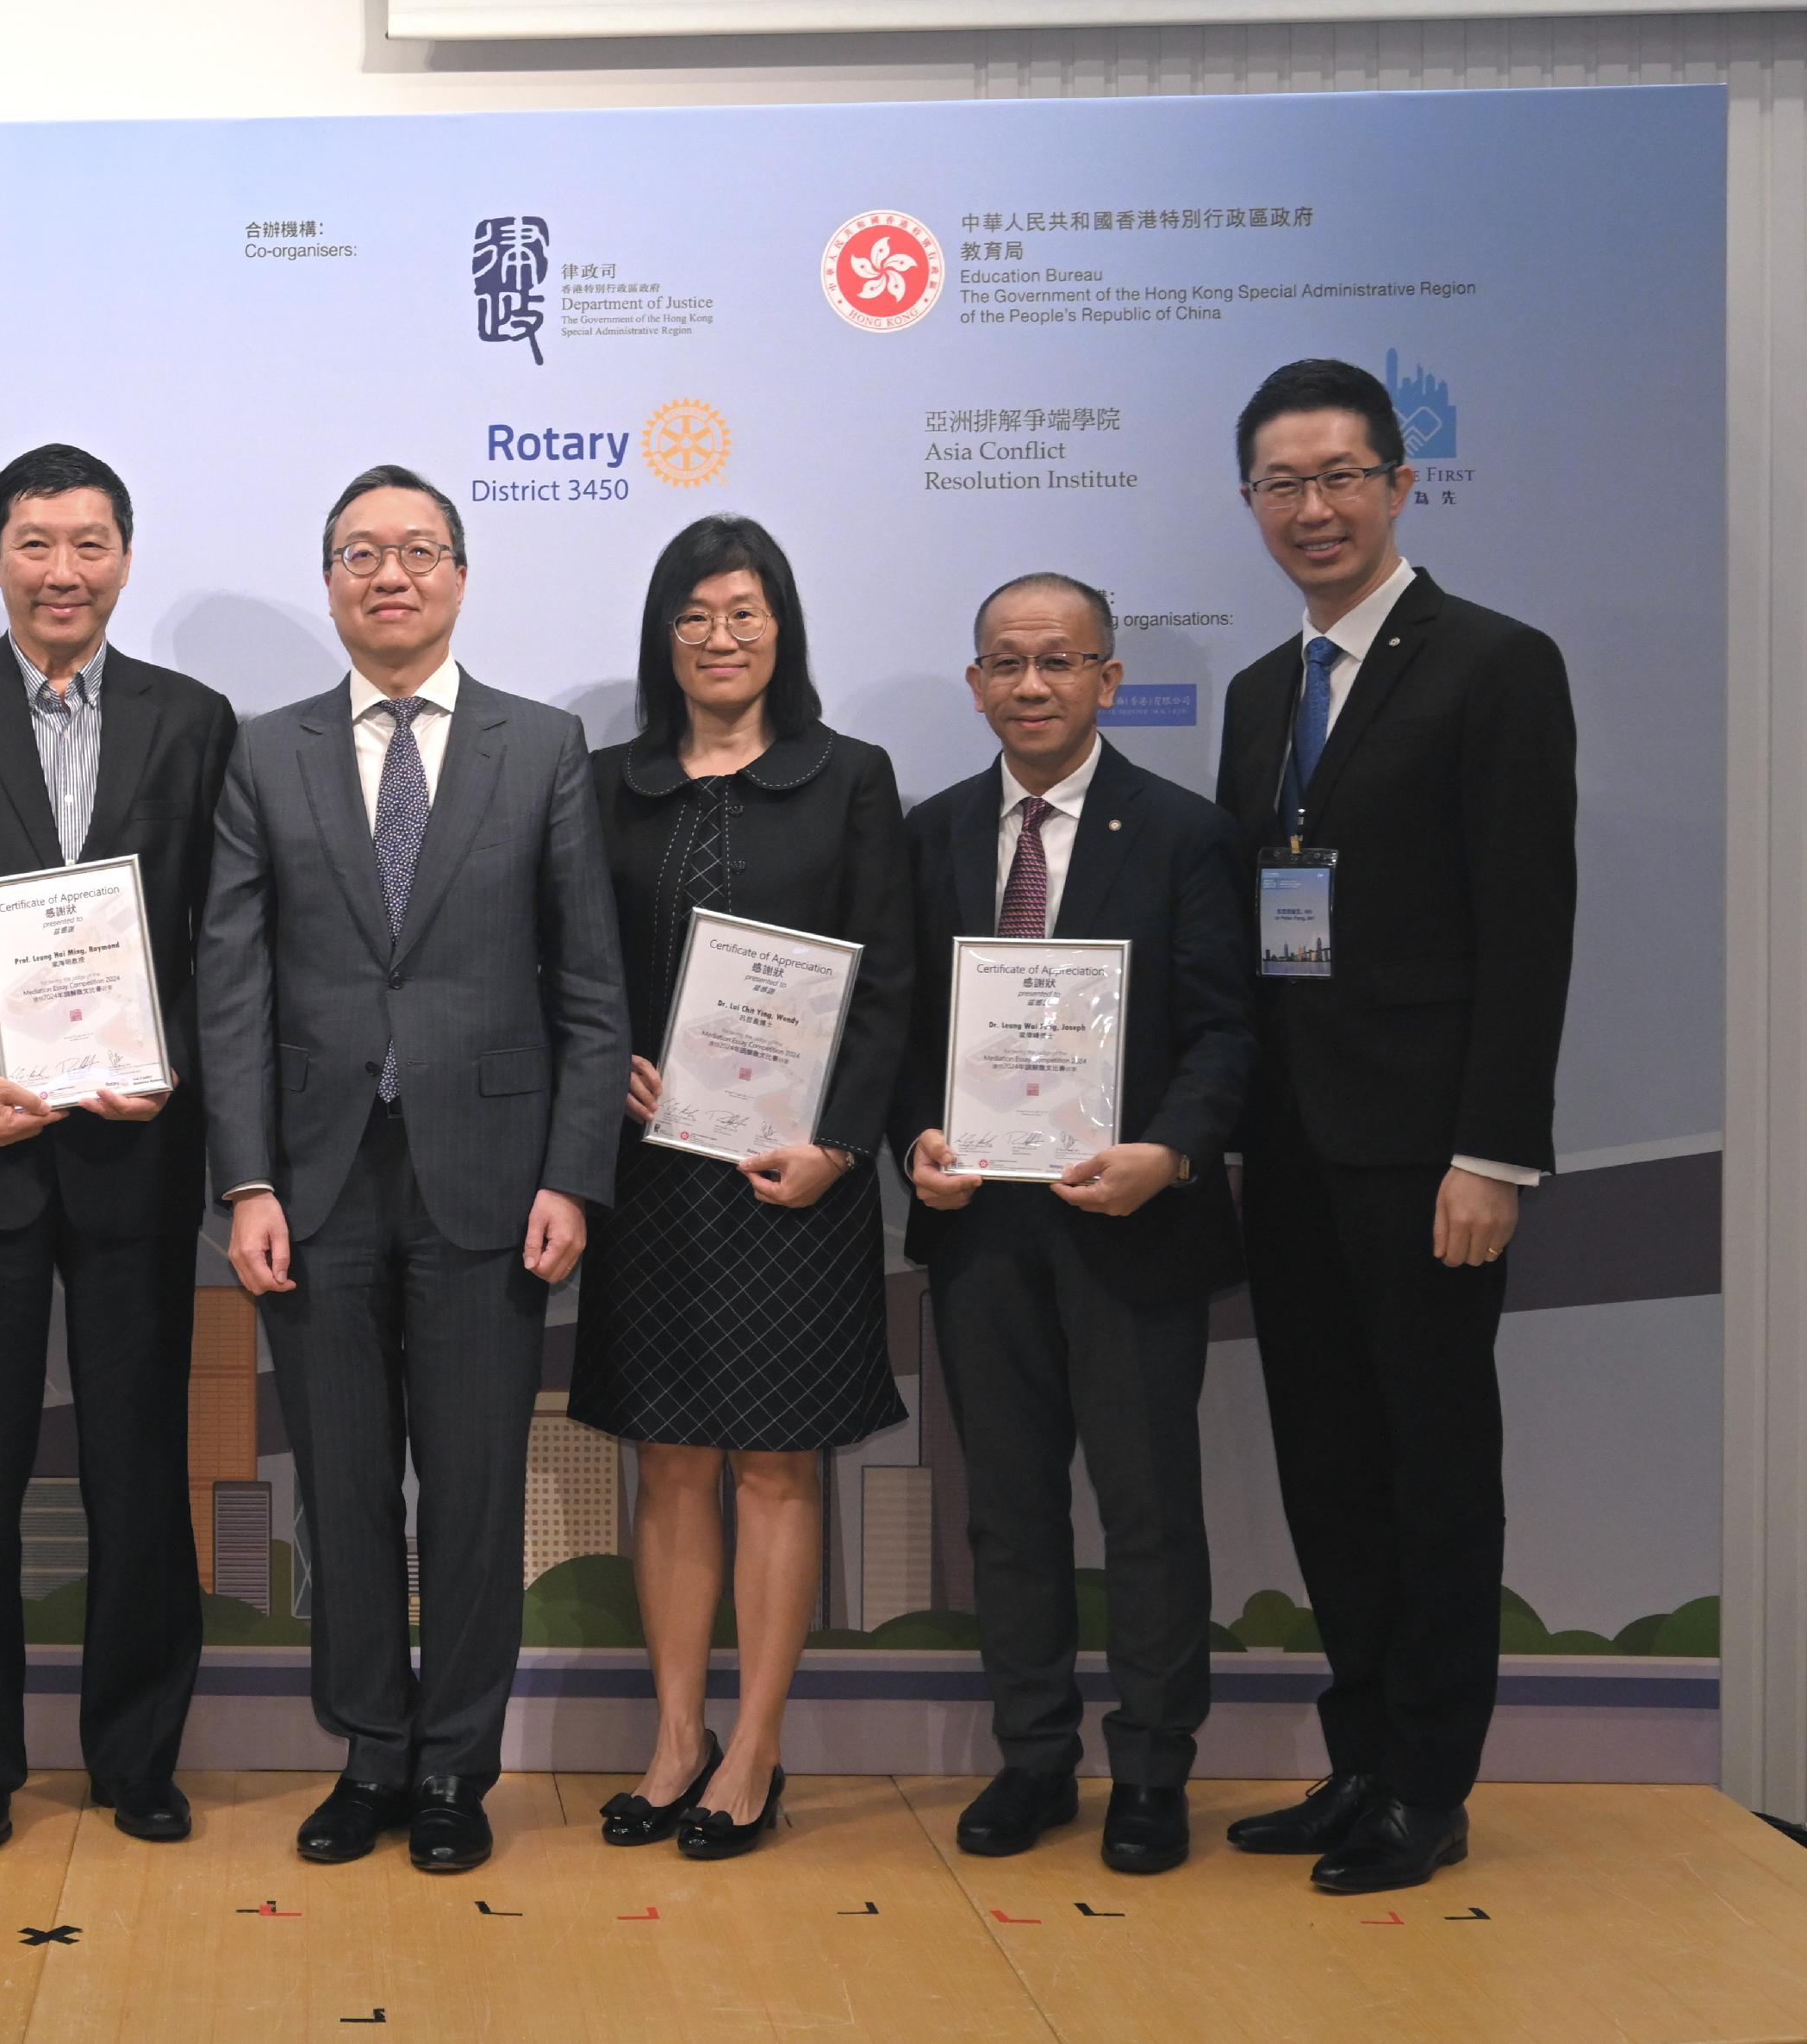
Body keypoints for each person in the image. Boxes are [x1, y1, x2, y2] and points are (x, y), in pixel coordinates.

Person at [202, 465, 625, 1876]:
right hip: (314, 1185)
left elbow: (589, 987)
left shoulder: (541, 744)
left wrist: (575, 1171)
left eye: (419, 551)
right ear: (329, 581)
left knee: (473, 1485)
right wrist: (247, 1179)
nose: (391, 575)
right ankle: (369, 1753)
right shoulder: (266, 752)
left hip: (494, 1178)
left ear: (459, 573)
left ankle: (458, 1769)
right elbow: (234, 988)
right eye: (360, 554)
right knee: (337, 1486)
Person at [1212, 358, 1577, 1894]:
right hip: (1287, 1155)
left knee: (1435, 1469)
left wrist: (1492, 1153)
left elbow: (1530, 922)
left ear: (1401, 484)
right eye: (1283, 485)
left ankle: (1433, 1782)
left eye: (1341, 477)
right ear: (1252, 504)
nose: (1315, 509)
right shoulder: (1257, 694)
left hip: (1431, 1162)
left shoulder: (1495, 665)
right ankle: (1358, 1756)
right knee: (1329, 1467)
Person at [0, 445, 236, 1852]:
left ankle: (137, 1755)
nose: (61, 570)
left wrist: (167, 1060)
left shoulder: (195, 722)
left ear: (126, 557)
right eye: (34, 543)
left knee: (142, 1470)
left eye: (88, 544)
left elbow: (216, 935)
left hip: (136, 1154)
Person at [895, 573, 1254, 1876]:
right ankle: (1035, 1759)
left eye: (1062, 660)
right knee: (1008, 1512)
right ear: (977, 681)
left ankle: (1152, 1771)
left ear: (1108, 678)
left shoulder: (1184, 833)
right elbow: (899, 1035)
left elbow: (1226, 1028)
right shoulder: (928, 834)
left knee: (1150, 1508)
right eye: (1007, 662)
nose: (1033, 685)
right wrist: (913, 1144)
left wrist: (1173, 1151)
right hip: (982, 1234)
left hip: (1133, 1226)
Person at [571, 514, 910, 1861]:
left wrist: (835, 1140)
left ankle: (755, 1748)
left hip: (795, 1179)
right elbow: (572, 976)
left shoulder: (850, 779)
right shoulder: (607, 785)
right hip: (654, 1177)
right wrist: (607, 1075)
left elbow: (887, 984)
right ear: (665, 637)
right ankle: (674, 1737)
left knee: (775, 1465)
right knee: (669, 1464)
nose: (721, 638)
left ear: (785, 629)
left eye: (746, 613)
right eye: (696, 616)